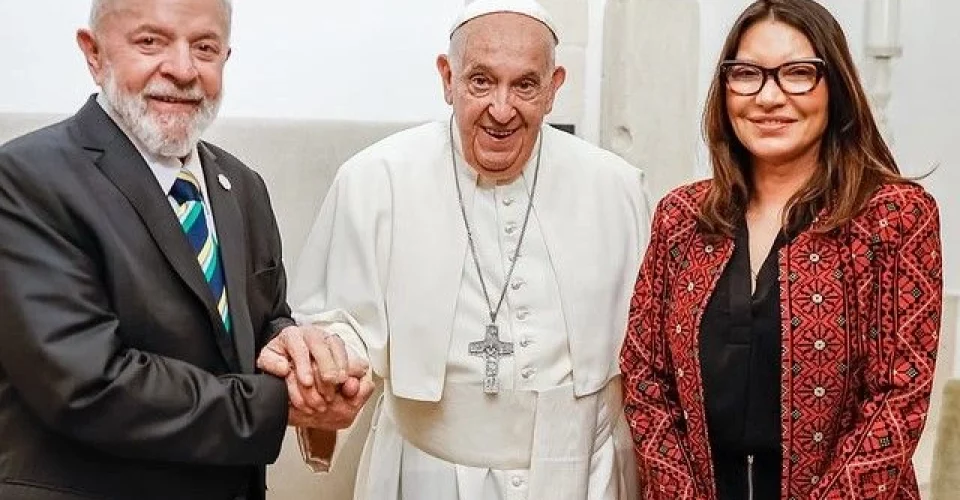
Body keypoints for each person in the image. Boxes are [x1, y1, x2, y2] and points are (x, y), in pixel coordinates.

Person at [256, 0, 649, 498]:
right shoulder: (376, 180)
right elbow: (341, 324)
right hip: (429, 476)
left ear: (554, 88)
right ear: (447, 78)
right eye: (480, 81)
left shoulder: (616, 188)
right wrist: (332, 360)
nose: (502, 110)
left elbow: (647, 353)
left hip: (582, 478)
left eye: (525, 84)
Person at [0, 0, 371, 498]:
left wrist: (300, 356)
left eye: (204, 47)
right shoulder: (27, 180)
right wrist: (276, 402)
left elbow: (261, 322)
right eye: (150, 42)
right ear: (93, 53)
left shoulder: (242, 186)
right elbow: (88, 385)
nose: (182, 69)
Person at [620, 0, 943, 499]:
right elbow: (644, 377)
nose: (769, 97)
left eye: (797, 73)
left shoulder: (894, 216)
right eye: (747, 73)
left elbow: (897, 400)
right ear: (725, 90)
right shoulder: (681, 217)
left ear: (834, 86)